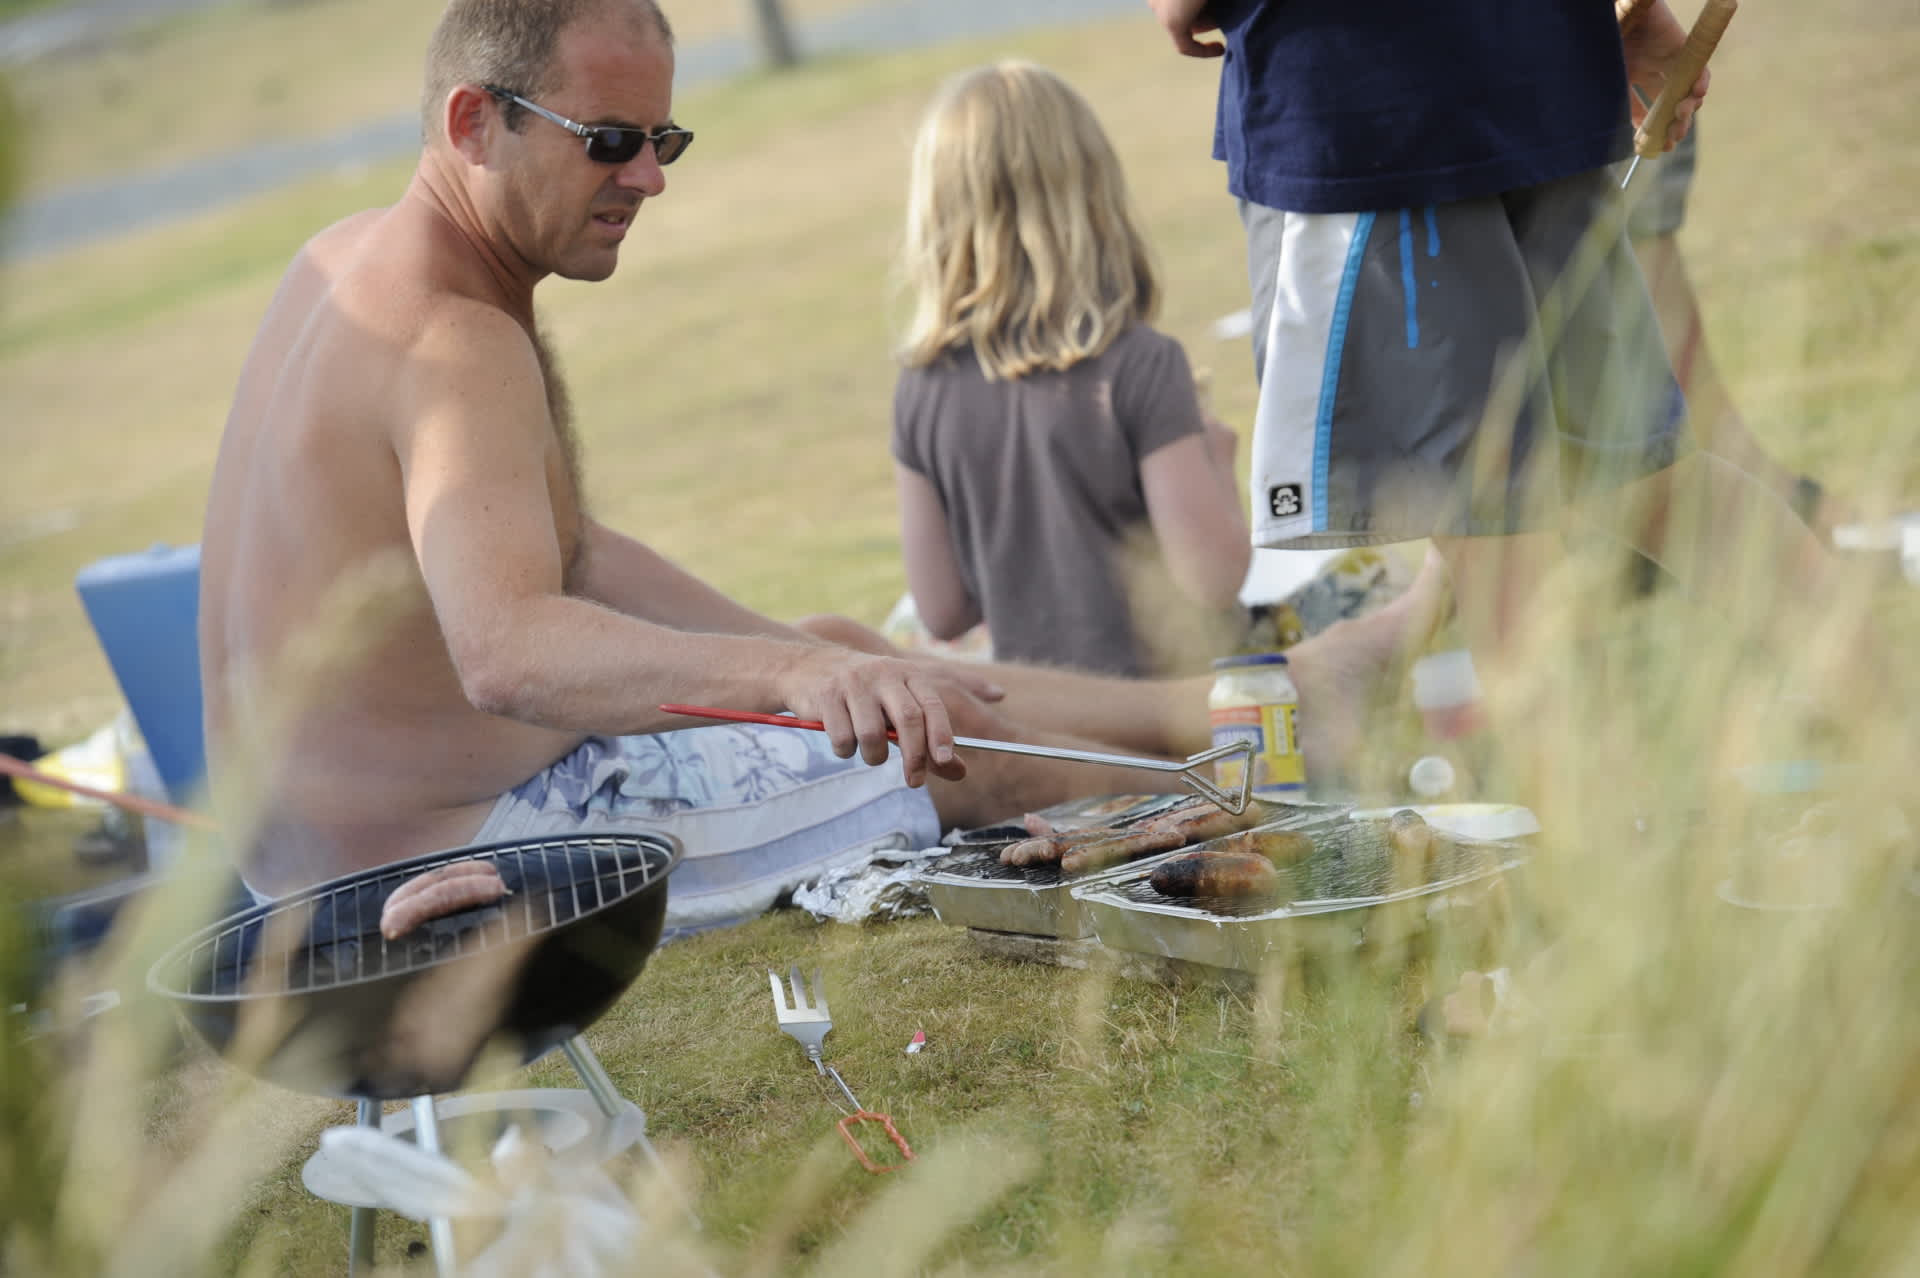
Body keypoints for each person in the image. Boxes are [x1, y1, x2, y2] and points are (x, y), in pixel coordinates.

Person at [197, 0, 1383, 932]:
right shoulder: (458, 339)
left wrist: (812, 660)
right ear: (473, 122)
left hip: (328, 848)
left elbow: (572, 555)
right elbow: (508, 652)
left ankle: (1225, 708)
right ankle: (1258, 766)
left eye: (662, 139)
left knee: (858, 656)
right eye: (609, 142)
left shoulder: (347, 262)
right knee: (943, 756)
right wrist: (789, 676)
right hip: (439, 864)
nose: (648, 177)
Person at [1144, 0, 1860, 703]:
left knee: (1494, 531)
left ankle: (1588, 792)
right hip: (1539, 70)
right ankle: (1890, 727)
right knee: (1651, 480)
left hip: (1367, 111)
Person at [891, 61, 1250, 678]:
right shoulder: (1142, 365)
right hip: (1170, 713)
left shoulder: (921, 388)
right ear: (1093, 194)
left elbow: (942, 611)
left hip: (1043, 721)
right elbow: (1213, 581)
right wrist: (1217, 459)